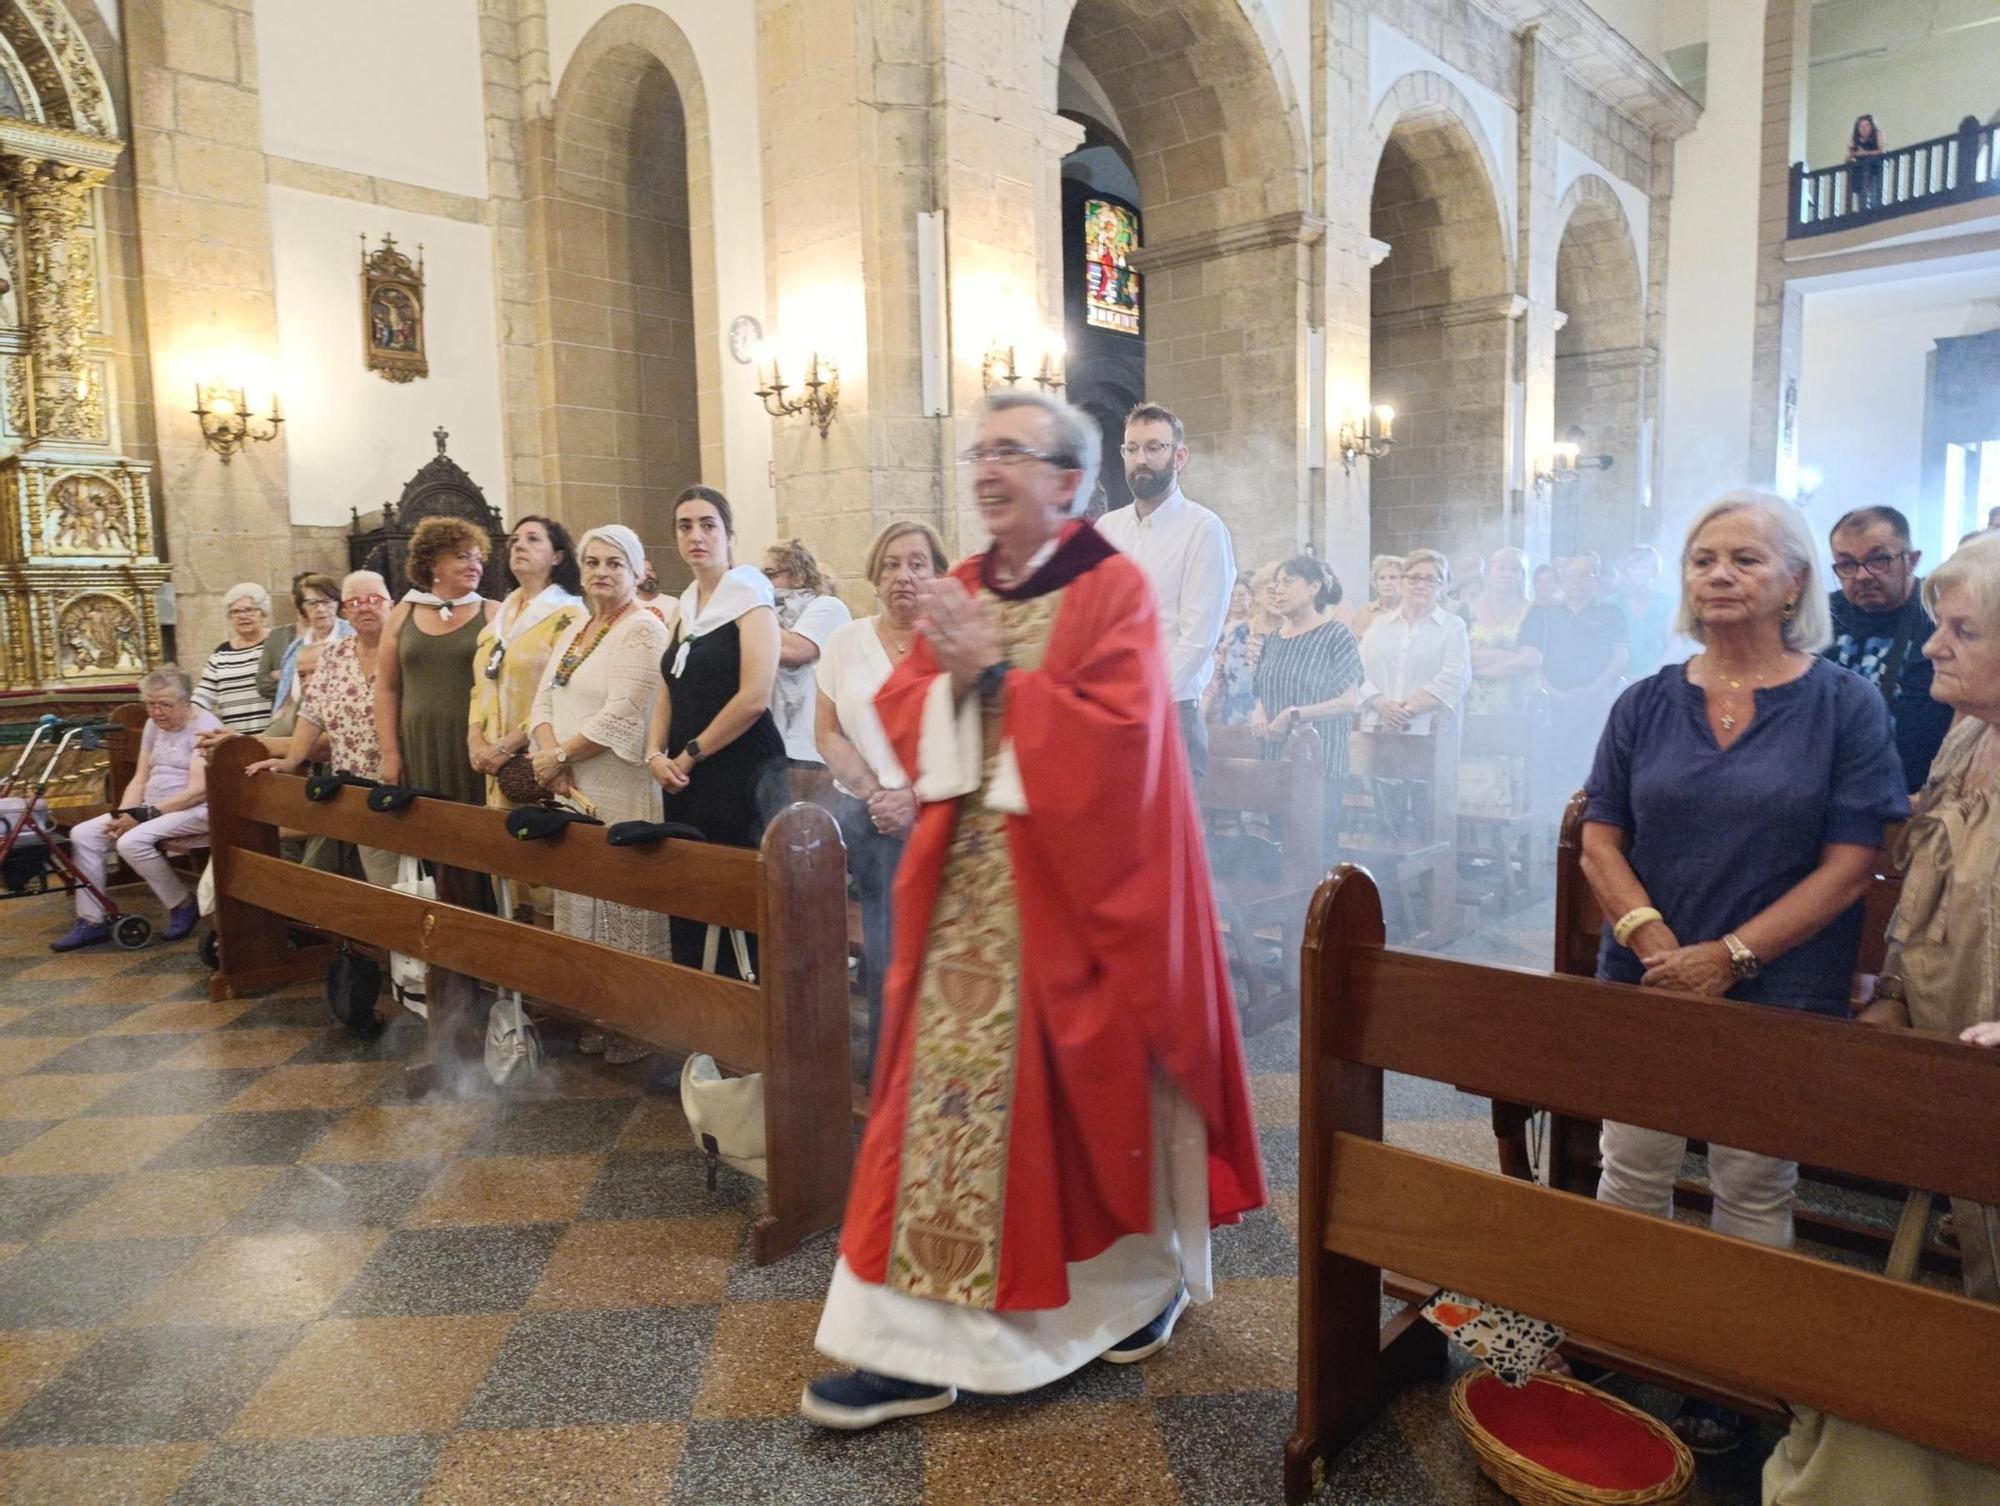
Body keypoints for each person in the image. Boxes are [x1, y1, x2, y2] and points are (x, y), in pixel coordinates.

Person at [802, 389, 1264, 1430]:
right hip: (964, 898)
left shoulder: (1112, 593)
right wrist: (959, 682)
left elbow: (1123, 751)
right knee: (933, 1113)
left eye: (1011, 451)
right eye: (979, 450)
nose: (985, 467)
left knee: (1089, 1117)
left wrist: (995, 677)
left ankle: (1132, 1291)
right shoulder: (962, 582)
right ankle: (910, 1345)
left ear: (1067, 482)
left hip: (1082, 903)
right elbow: (905, 703)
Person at [1579, 491, 1907, 1452]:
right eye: (1703, 559)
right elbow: (1601, 838)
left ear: (1794, 580)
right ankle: (1623, 1346)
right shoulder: (1645, 700)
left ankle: (1735, 1374)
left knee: (1753, 1183)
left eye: (1745, 560)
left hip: (1780, 983)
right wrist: (1655, 949)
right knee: (1630, 1166)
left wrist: (1729, 958)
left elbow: (1853, 862)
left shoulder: (1843, 702)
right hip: (1646, 978)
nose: (1718, 576)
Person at [1868, 532, 2000, 1304]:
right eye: (1937, 625)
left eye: (1964, 631)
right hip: (1955, 1051)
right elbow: (1925, 881)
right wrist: (1891, 988)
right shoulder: (1969, 736)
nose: (1932, 648)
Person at [531, 525, 672, 1063]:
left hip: (617, 783)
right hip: (570, 784)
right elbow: (542, 701)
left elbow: (626, 712)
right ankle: (591, 1010)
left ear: (638, 572)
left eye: (615, 563)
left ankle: (634, 1023)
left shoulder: (642, 630)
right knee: (581, 900)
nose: (601, 572)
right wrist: (551, 760)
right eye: (592, 562)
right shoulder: (576, 627)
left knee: (619, 902)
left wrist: (560, 757)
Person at [815, 520, 949, 1076]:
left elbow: (973, 731)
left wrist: (914, 797)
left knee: (937, 948)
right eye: (891, 564)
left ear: (939, 573)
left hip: (942, 814)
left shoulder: (950, 642)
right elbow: (826, 731)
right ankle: (890, 1073)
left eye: (918, 563)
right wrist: (877, 794)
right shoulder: (846, 642)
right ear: (874, 575)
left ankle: (942, 1071)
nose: (904, 576)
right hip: (869, 817)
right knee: (886, 949)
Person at [645, 486, 786, 979]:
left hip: (741, 769)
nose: (696, 536)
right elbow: (667, 685)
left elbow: (754, 696)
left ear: (729, 535)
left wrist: (687, 755)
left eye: (708, 525)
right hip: (685, 775)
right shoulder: (686, 605)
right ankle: (704, 1018)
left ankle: (752, 1021)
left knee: (740, 900)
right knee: (691, 892)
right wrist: (653, 754)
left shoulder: (750, 597)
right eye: (685, 526)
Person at [1095, 402, 1237, 779]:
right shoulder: (1107, 530)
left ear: (1180, 455)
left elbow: (1198, 638)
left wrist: (1141, 698)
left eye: (1155, 447)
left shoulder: (1203, 529)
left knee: (1168, 838)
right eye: (1132, 448)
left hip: (1172, 713)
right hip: (1110, 712)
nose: (1141, 459)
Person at [244, 572, 400, 889]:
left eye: (374, 600)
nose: (364, 608)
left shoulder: (406, 651)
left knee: (411, 876)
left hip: (401, 779)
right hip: (352, 783)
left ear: (391, 605)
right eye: (354, 602)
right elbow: (312, 712)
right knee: (377, 879)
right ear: (345, 611)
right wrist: (291, 761)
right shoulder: (334, 654)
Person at [51, 665, 223, 950]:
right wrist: (124, 814)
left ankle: (182, 904)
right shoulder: (154, 725)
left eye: (164, 705)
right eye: (150, 704)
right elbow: (140, 777)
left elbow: (196, 792)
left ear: (187, 700)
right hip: (152, 808)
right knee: (84, 833)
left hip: (198, 811)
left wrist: (141, 816)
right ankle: (92, 920)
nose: (156, 712)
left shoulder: (205, 728)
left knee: (132, 841)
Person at [1821, 505, 1953, 794]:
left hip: (1916, 796)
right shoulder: (1821, 616)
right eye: (1847, 565)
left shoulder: (1941, 617)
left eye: (1879, 560)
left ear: (1912, 560)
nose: (1863, 575)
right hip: (1829, 788)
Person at [375, 516, 496, 804]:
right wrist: (390, 753)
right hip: (420, 743)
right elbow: (386, 689)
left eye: (478, 559)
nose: (474, 566)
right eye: (462, 556)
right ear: (432, 564)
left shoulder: (493, 612)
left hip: (476, 739)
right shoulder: (402, 614)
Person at [1251, 555, 1364, 863]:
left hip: (1320, 762)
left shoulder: (1336, 634)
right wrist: (1259, 713)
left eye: (1288, 581)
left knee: (1314, 853)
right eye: (1275, 584)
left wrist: (1294, 714)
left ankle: (1321, 911)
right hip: (1276, 759)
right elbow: (1261, 689)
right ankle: (1287, 911)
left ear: (1314, 587)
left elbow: (1348, 701)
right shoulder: (1274, 639)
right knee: (1280, 851)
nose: (1278, 590)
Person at [468, 515, 585, 808]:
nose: (520, 545)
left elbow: (561, 693)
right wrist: (476, 741)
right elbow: (479, 687)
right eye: (514, 540)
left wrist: (506, 747)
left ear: (557, 556)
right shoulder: (499, 618)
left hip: (536, 757)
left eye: (533, 539)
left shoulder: (570, 617)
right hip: (492, 760)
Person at [1526, 554, 1629, 797]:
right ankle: (1547, 824)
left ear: (1596, 579)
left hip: (1596, 703)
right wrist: (1551, 691)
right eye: (1572, 575)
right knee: (1547, 764)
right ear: (1562, 579)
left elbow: (1620, 658)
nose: (1578, 581)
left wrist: (1592, 690)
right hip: (1549, 702)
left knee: (1589, 764)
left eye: (1586, 574)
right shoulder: (1542, 614)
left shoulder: (1613, 613)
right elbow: (1531, 659)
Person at [1462, 547, 1546, 814]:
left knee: (1511, 765)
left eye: (1514, 569)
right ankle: (1474, 839)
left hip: (1514, 701)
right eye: (1502, 567)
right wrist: (1502, 654)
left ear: (1522, 577)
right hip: (1472, 701)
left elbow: (1529, 660)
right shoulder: (1467, 610)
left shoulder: (1533, 612)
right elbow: (1459, 655)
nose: (1507, 574)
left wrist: (1479, 669)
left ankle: (1508, 837)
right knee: (1474, 763)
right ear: (1489, 572)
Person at [1358, 548, 1471, 735]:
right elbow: (1357, 672)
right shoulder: (1379, 625)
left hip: (1428, 731)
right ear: (1402, 583)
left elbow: (1454, 678)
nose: (1421, 585)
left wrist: (1406, 710)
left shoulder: (1453, 627)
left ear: (1442, 588)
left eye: (1431, 579)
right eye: (1414, 577)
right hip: (1377, 727)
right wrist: (1382, 704)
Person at [764, 538, 852, 770]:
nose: (764, 583)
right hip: (776, 743)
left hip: (812, 749)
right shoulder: (772, 614)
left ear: (799, 576)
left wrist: (755, 616)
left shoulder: (828, 607)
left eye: (770, 574)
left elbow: (796, 650)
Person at [194, 582, 277, 733]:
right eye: (235, 612)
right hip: (235, 742)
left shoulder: (277, 642)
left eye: (249, 610)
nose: (242, 616)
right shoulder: (221, 653)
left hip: (274, 738)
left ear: (263, 612)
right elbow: (203, 696)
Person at [1202, 574, 1259, 728]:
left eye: (1241, 595)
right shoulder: (1219, 629)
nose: (1236, 599)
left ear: (1252, 597)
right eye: (1232, 595)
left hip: (1248, 697)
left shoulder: (1254, 628)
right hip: (1224, 697)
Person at [1614, 546, 1672, 681]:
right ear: (1626, 571)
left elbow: (1674, 648)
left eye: (1643, 567)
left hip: (1658, 679)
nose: (1638, 572)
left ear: (1654, 571)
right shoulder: (1614, 603)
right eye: (1633, 568)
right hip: (1618, 681)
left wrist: (1650, 676)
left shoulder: (1668, 604)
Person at [1335, 554, 1403, 643]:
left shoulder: (1410, 610)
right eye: (1382, 578)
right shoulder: (1366, 611)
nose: (1387, 582)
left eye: (1393, 577)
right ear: (1375, 583)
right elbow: (1358, 645)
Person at [1847, 113, 1884, 211]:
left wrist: (1865, 153)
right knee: (1861, 197)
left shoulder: (1877, 134)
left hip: (1874, 169)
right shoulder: (1854, 138)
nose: (1864, 128)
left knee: (1874, 195)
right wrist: (1853, 155)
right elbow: (1849, 154)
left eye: (1867, 125)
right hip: (1859, 171)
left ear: (1871, 126)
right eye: (1861, 126)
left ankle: (1875, 213)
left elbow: (1881, 150)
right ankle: (1862, 213)